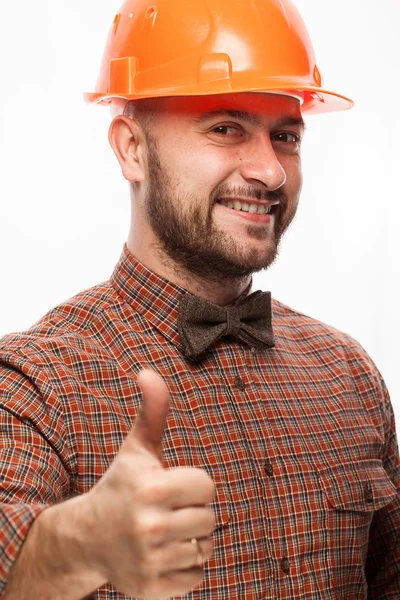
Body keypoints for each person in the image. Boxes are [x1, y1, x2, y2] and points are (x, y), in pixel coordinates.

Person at [0, 0, 399, 598]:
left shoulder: (348, 372)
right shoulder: (38, 382)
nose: (269, 171)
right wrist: (72, 546)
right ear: (132, 148)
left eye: (286, 136)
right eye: (225, 128)